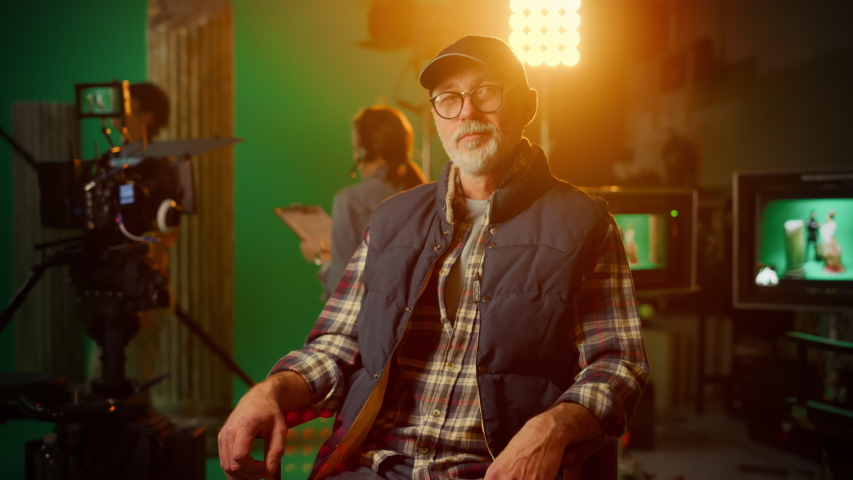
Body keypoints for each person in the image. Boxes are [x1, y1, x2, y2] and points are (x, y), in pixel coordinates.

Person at [220, 35, 648, 480]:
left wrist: (553, 427)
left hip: (493, 469)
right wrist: (268, 391)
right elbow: (337, 347)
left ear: (526, 106)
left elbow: (619, 365)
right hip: (373, 467)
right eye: (448, 98)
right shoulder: (391, 221)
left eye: (486, 92)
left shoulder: (585, 225)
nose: (467, 111)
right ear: (437, 118)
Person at [302, 106, 426, 299]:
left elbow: (342, 290)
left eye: (355, 149)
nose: (354, 156)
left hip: (372, 326)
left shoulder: (349, 200)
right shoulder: (428, 194)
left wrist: (321, 257)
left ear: (364, 151)